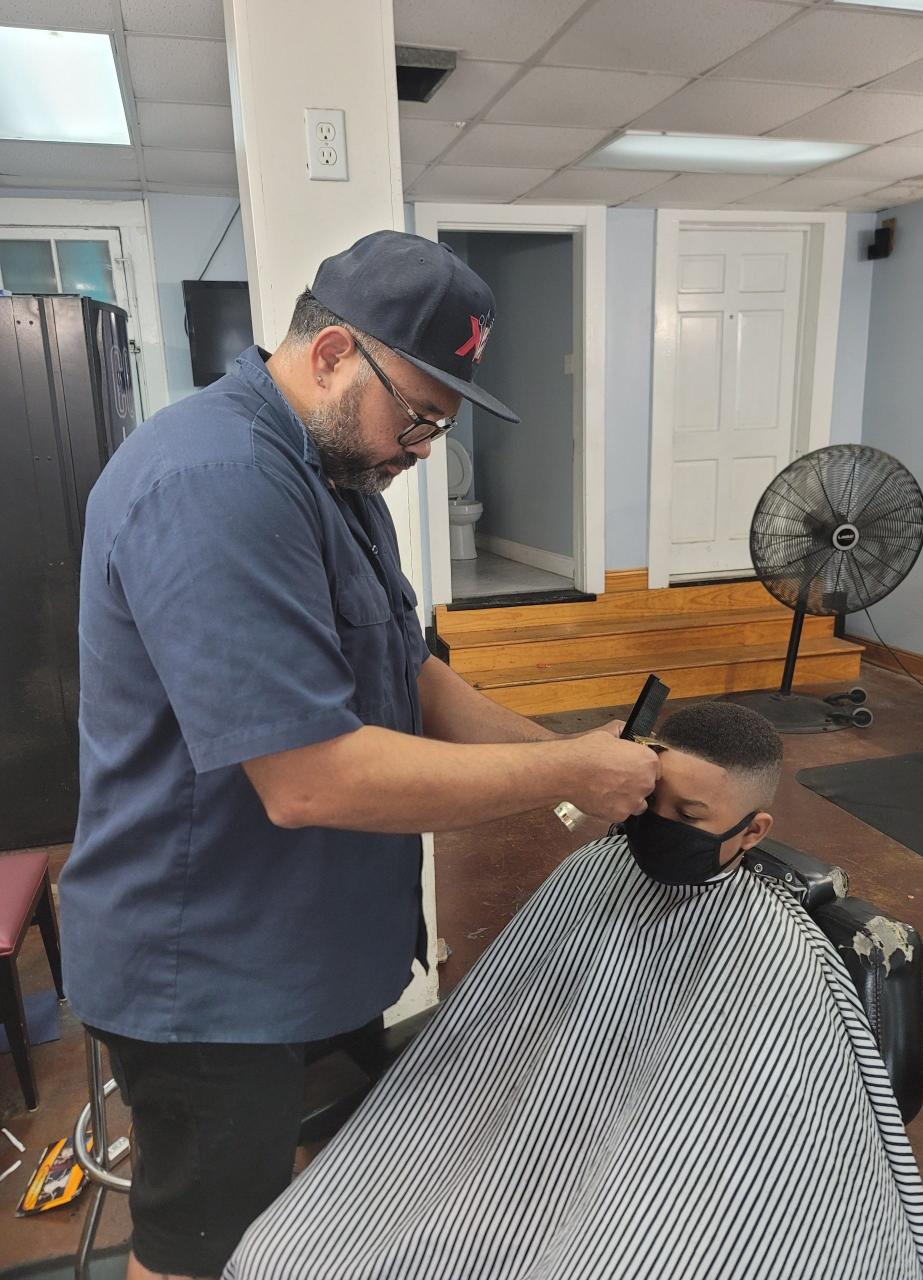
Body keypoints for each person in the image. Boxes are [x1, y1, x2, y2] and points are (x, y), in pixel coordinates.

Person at [57, 230, 659, 1280]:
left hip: (308, 950)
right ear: (333, 349)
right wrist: (569, 778)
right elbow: (310, 777)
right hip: (207, 975)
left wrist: (582, 757)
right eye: (417, 413)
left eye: (442, 424)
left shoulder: (340, 483)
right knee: (199, 1245)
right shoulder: (215, 482)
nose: (423, 446)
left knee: (302, 1211)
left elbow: (414, 677)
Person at [225, 701, 923, 1280]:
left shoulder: (776, 950)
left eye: (690, 821)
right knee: (284, 1254)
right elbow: (507, 1027)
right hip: (507, 1148)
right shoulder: (592, 873)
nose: (660, 828)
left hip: (652, 1188)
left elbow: (745, 1141)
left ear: (753, 831)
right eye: (652, 804)